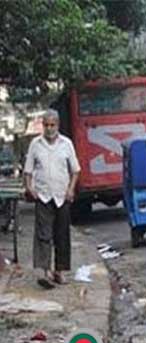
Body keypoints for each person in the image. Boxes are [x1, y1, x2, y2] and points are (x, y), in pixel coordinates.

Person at [23, 109, 81, 289]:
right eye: (46, 125)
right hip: (43, 196)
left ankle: (60, 271)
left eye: (52, 125)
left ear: (58, 125)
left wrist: (71, 190)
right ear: (43, 125)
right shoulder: (35, 144)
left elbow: (75, 170)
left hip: (62, 196)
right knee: (43, 235)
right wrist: (29, 187)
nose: (49, 128)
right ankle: (45, 271)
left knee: (62, 235)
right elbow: (28, 171)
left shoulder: (66, 144)